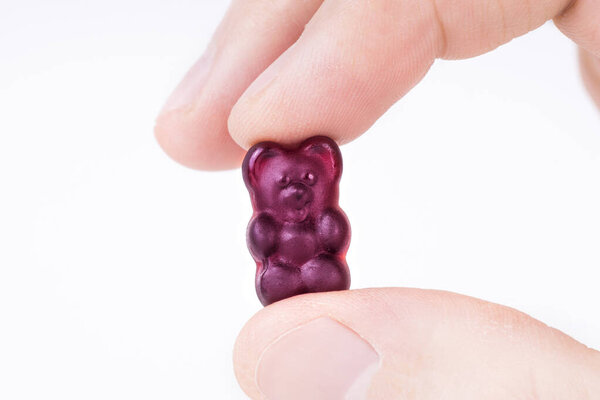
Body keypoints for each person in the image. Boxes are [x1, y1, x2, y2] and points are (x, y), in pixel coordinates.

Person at [154, 1, 600, 398]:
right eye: (283, 183)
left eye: (307, 178)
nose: (295, 189)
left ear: (327, 168)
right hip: (284, 271)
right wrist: (271, 235)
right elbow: (260, 242)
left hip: (318, 265)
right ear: (258, 175)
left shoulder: (322, 215)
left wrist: (324, 231)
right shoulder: (270, 219)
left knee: (325, 269)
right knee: (278, 282)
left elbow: (335, 234)